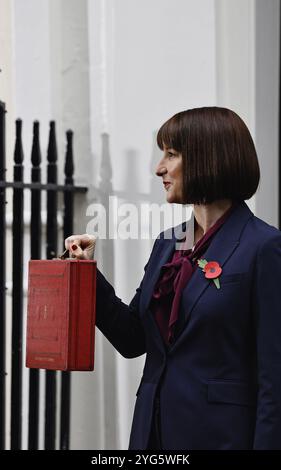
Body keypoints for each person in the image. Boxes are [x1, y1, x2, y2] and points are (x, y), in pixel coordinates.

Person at [65, 107, 281, 450]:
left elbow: (275, 381)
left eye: (171, 154)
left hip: (220, 438)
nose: (158, 168)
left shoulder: (263, 246)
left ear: (208, 158)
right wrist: (87, 273)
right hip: (152, 435)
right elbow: (133, 338)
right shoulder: (169, 243)